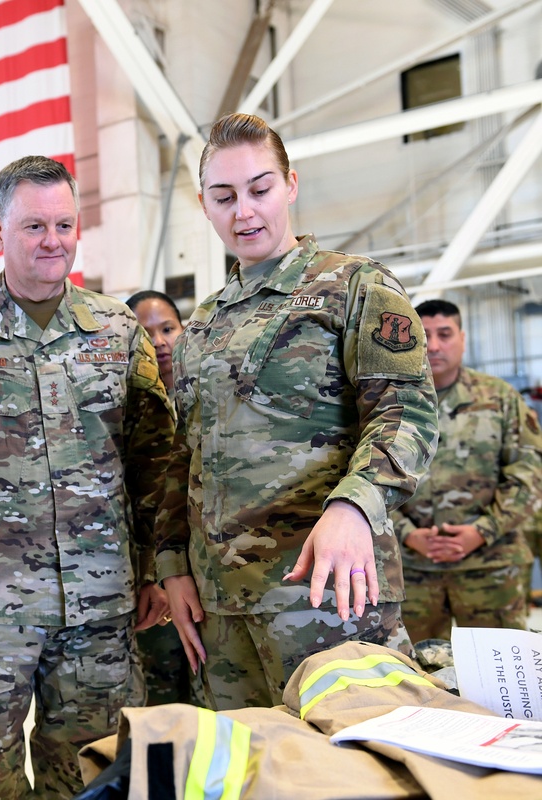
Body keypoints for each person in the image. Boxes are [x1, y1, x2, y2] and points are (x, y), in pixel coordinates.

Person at [0, 155, 175, 799]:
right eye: (33, 227)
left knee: (90, 776)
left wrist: (155, 567)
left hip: (100, 608)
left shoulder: (117, 329)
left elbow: (154, 461)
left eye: (64, 224)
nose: (53, 241)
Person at [155, 113, 439, 711]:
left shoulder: (355, 286)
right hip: (221, 608)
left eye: (260, 189)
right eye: (224, 196)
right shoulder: (202, 323)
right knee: (246, 770)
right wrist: (172, 564)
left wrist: (355, 504)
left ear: (291, 184)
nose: (244, 212)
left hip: (328, 596)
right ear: (205, 206)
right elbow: (183, 457)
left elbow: (406, 415)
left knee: (352, 770)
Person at [391, 299, 542, 642]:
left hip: (490, 567)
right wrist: (407, 534)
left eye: (444, 334)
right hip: (411, 569)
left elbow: (530, 476)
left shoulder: (500, 399)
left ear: (462, 337)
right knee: (418, 674)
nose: (434, 345)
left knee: (502, 670)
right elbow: (368, 475)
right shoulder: (390, 402)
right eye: (424, 334)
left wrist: (482, 531)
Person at [125, 290, 189, 705]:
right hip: (152, 575)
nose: (160, 342)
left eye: (168, 328)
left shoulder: (210, 392)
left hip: (207, 572)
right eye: (146, 334)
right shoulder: (123, 409)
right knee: (163, 696)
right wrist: (154, 574)